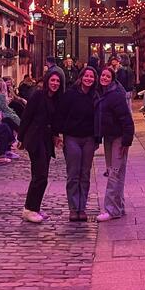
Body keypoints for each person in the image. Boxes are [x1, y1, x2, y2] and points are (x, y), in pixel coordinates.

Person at [18, 69, 63, 223]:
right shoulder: (38, 95)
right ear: (47, 81)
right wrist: (21, 138)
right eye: (53, 80)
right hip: (35, 138)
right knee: (40, 175)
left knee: (43, 176)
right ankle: (28, 209)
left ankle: (35, 208)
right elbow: (27, 116)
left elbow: (56, 121)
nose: (55, 83)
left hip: (46, 140)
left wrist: (56, 136)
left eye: (58, 81)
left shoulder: (56, 99)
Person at [58, 66, 99, 222]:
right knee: (73, 173)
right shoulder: (70, 94)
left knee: (85, 174)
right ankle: (73, 208)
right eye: (86, 76)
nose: (89, 79)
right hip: (72, 138)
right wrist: (59, 134)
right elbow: (61, 114)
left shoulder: (95, 96)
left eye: (92, 76)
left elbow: (99, 119)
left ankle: (82, 207)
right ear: (81, 77)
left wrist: (97, 138)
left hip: (88, 138)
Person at [95, 66, 135, 222]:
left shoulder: (115, 95)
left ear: (113, 79)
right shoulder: (103, 93)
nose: (104, 78)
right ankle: (119, 207)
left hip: (118, 138)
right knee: (114, 172)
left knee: (114, 173)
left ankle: (111, 210)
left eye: (107, 76)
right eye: (103, 75)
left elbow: (126, 119)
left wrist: (126, 141)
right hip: (109, 137)